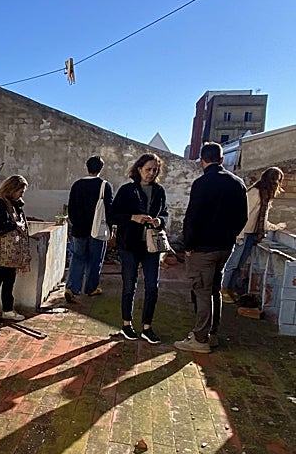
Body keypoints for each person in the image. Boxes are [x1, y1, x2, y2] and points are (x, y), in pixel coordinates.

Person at [174, 141, 248, 353]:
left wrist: (188, 245)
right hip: (225, 246)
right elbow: (242, 217)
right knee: (214, 289)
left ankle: (200, 338)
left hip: (203, 248)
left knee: (202, 291)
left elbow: (193, 217)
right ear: (222, 159)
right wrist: (229, 236)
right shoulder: (237, 183)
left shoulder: (202, 183)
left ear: (202, 161)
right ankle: (211, 333)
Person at [110, 153, 169, 344]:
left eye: (154, 170)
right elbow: (113, 215)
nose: (151, 173)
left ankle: (147, 327)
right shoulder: (127, 190)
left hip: (151, 246)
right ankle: (126, 324)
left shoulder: (159, 191)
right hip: (129, 244)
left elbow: (166, 214)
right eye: (148, 169)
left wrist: (159, 220)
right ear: (139, 169)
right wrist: (132, 217)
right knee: (130, 285)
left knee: (153, 286)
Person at [222, 166, 285, 297]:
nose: (277, 184)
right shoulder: (255, 193)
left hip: (251, 234)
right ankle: (223, 289)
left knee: (240, 265)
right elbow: (241, 214)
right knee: (232, 264)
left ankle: (229, 289)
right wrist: (238, 236)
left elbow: (261, 220)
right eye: (276, 180)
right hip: (242, 234)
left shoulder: (265, 196)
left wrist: (276, 227)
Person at [64, 155, 114, 302]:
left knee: (77, 258)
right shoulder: (105, 185)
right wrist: (111, 228)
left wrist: (75, 224)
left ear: (87, 167)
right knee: (95, 259)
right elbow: (109, 209)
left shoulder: (77, 185)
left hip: (79, 229)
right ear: (100, 168)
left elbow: (71, 209)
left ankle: (72, 288)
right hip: (97, 229)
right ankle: (91, 288)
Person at [0, 175, 29, 324]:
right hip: (2, 251)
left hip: (11, 252)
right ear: (12, 189)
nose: (21, 195)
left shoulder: (15, 204)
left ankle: (8, 309)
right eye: (20, 192)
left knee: (9, 280)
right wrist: (14, 225)